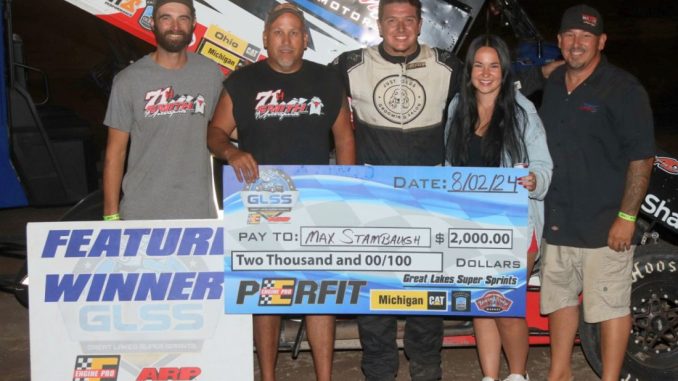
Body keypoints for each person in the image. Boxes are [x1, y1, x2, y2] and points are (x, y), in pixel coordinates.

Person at [206, 4, 355, 381]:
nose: (286, 40)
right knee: (265, 296)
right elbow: (214, 134)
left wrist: (345, 190)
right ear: (265, 39)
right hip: (259, 203)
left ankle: (325, 377)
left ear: (306, 40)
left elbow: (345, 138)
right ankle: (267, 376)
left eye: (294, 33)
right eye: (278, 32)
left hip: (316, 202)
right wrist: (232, 151)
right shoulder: (241, 82)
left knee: (319, 296)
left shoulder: (327, 81)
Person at [331, 0, 462, 379]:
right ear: (379, 23)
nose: (400, 29)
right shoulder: (350, 64)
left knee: (426, 291)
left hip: (430, 200)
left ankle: (425, 365)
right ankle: (378, 369)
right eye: (392, 20)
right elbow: (312, 102)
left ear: (420, 25)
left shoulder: (449, 65)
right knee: (375, 293)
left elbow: (490, 97)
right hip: (373, 201)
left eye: (408, 21)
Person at [538, 5, 655, 381]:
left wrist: (626, 217)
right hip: (557, 218)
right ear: (558, 41)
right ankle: (560, 373)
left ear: (601, 42)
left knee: (609, 306)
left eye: (586, 37)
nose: (577, 44)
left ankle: (609, 378)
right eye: (569, 36)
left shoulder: (624, 89)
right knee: (559, 301)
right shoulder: (553, 83)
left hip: (606, 223)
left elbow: (642, 158)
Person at [444, 35, 552, 381]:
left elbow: (544, 166)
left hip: (516, 226)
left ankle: (518, 375)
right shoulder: (457, 107)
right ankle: (490, 376)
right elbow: (449, 165)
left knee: (505, 306)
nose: (486, 73)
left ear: (504, 72)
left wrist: (534, 180)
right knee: (481, 304)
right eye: (479, 65)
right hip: (471, 224)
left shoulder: (522, 110)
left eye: (494, 66)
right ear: (470, 70)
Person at [103, 0, 223, 221]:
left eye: (183, 18)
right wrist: (111, 216)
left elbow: (226, 129)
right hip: (142, 210)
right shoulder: (128, 80)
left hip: (197, 209)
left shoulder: (210, 73)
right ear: (152, 24)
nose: (175, 26)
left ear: (193, 24)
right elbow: (115, 153)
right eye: (166, 18)